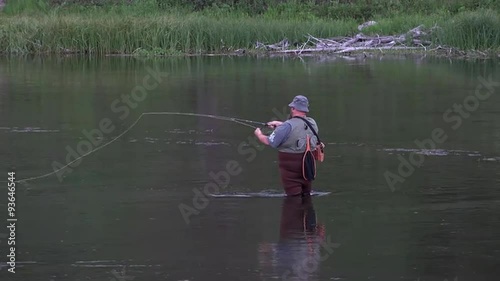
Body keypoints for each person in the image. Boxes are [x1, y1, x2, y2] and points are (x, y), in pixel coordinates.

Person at [254, 95, 319, 196]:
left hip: (291, 169)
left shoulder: (287, 126)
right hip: (308, 165)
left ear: (293, 108)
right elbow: (298, 126)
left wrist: (259, 134)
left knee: (293, 197)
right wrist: (281, 125)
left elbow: (270, 142)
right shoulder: (312, 123)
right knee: (306, 195)